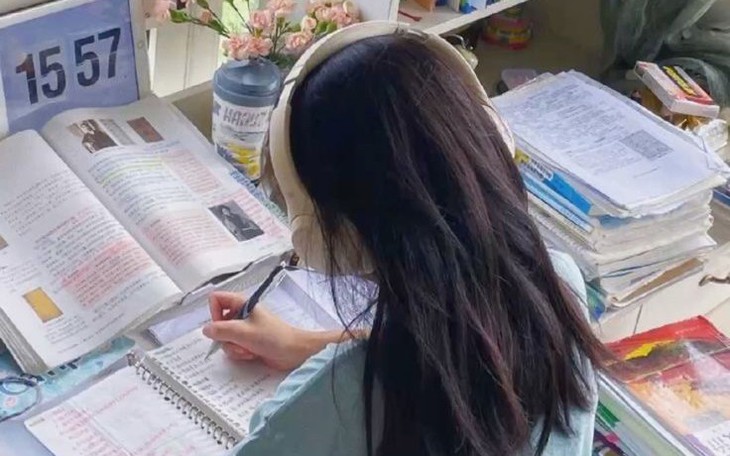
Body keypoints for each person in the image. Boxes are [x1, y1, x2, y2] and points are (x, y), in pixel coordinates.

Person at [203, 22, 605, 456]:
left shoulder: (337, 400)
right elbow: (453, 345)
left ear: (324, 234)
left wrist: (327, 367)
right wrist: (304, 345)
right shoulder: (558, 289)